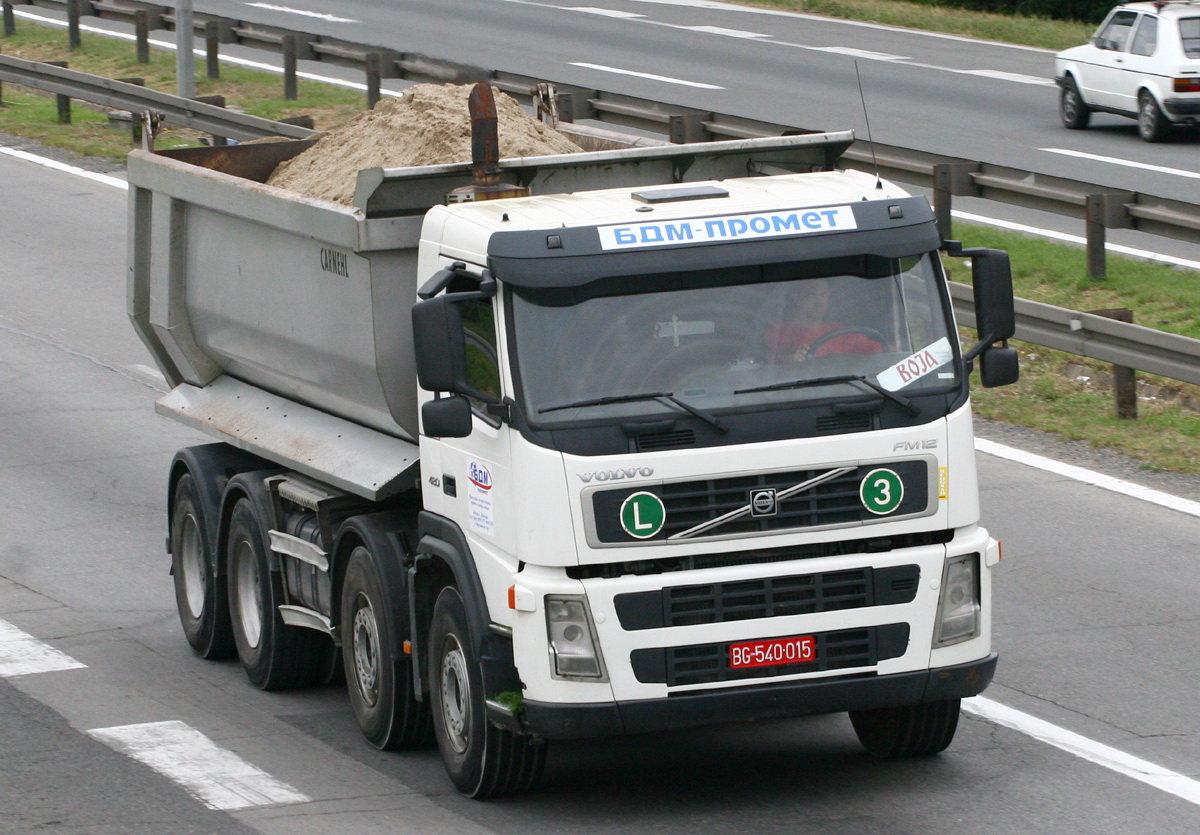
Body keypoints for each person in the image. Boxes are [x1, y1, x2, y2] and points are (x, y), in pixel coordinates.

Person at [767, 277, 883, 363]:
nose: (819, 302)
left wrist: (894, 354)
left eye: (823, 295)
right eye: (812, 295)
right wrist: (792, 358)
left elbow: (881, 353)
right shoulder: (778, 332)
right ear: (797, 298)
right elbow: (776, 357)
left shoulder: (842, 332)